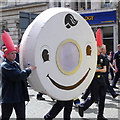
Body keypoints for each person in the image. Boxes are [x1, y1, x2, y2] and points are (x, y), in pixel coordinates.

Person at [1, 30, 37, 120]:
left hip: (19, 97)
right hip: (8, 97)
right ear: (6, 55)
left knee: (21, 117)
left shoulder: (15, 64)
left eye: (15, 53)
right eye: (11, 53)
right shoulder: (5, 66)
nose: (14, 55)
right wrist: (29, 69)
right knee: (5, 117)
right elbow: (18, 76)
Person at [78, 45, 108, 120]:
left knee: (102, 98)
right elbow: (90, 68)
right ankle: (82, 107)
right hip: (94, 80)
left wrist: (97, 70)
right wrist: (96, 69)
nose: (101, 48)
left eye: (102, 47)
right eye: (99, 47)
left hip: (101, 79)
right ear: (96, 47)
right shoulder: (91, 57)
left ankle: (100, 115)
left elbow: (104, 70)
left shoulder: (103, 57)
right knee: (93, 98)